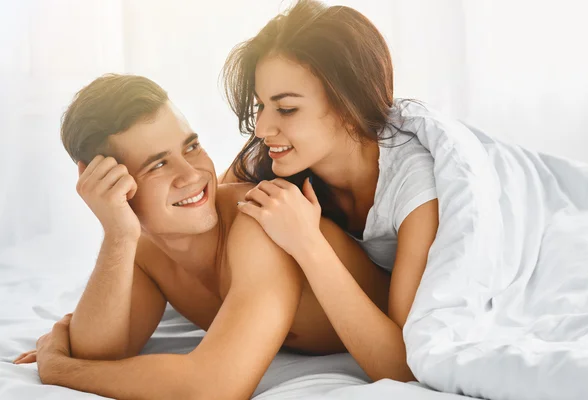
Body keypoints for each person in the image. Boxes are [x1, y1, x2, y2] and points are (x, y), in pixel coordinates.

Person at [13, 73, 391, 399]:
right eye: (157, 164)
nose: (191, 174)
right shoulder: (143, 252)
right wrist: (118, 234)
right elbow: (100, 354)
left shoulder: (258, 221)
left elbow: (213, 389)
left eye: (191, 146)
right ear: (109, 182)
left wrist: (59, 369)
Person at [220, 0, 440, 382]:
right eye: (260, 106)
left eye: (286, 109)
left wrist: (308, 244)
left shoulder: (416, 186)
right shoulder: (274, 157)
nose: (261, 128)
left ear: (348, 105)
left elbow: (405, 367)